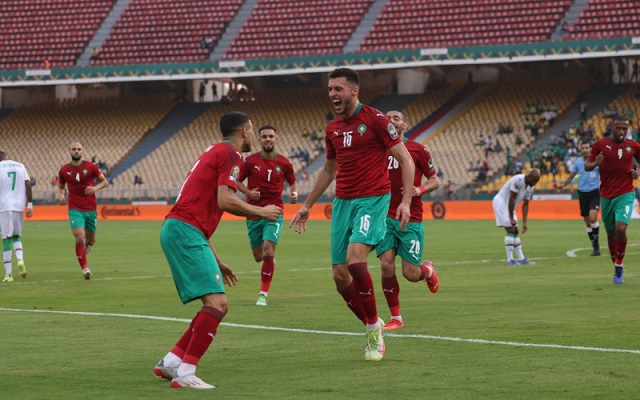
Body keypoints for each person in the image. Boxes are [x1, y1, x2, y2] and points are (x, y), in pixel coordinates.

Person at [289, 68, 415, 362]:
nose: (332, 94)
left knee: (356, 259)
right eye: (330, 89)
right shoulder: (332, 128)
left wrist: (406, 201)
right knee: (339, 275)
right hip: (343, 203)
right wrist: (307, 205)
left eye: (338, 89)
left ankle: (373, 329)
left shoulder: (377, 120)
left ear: (354, 91)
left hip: (373, 199)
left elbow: (406, 160)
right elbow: (329, 170)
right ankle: (373, 323)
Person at [154, 112, 282, 389]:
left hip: (181, 229)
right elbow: (226, 200)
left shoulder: (213, 151)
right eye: (252, 130)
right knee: (218, 305)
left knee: (211, 306)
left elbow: (203, 208)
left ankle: (172, 361)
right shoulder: (232, 155)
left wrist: (218, 261)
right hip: (185, 230)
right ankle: (186, 374)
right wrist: (261, 211)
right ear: (246, 131)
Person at [375, 111, 441, 331]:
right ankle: (396, 318)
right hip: (384, 217)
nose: (391, 120)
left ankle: (428, 271)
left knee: (410, 274)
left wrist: (419, 189)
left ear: (404, 124)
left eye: (396, 117)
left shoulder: (418, 150)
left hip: (411, 218)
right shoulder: (378, 150)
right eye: (388, 117)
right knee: (386, 265)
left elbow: (435, 180)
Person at [237, 125, 298, 306]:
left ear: (276, 139)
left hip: (274, 212)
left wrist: (294, 194)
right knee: (259, 256)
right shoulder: (250, 161)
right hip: (254, 212)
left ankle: (263, 294)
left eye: (271, 136)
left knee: (269, 250)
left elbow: (293, 184)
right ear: (259, 140)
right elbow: (236, 181)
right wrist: (249, 191)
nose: (268, 139)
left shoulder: (285, 163)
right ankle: (268, 262)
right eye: (264, 137)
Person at [585, 116, 640, 285]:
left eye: (625, 128)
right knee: (610, 234)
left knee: (620, 229)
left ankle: (619, 264)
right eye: (619, 128)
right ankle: (616, 265)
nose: (622, 132)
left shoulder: (634, 146)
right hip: (606, 195)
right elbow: (587, 165)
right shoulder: (600, 145)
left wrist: (638, 172)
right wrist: (595, 162)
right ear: (612, 128)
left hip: (625, 193)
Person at [57, 142, 108, 280]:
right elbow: (61, 186)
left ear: (82, 151)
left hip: (91, 209)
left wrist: (95, 188)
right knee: (80, 237)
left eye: (79, 149)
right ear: (70, 151)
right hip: (75, 209)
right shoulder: (64, 170)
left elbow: (105, 182)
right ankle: (85, 268)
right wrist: (61, 195)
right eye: (73, 149)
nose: (76, 151)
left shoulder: (91, 167)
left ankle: (87, 245)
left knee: (91, 241)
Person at [556, 141, 601, 256]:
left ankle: (596, 245)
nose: (585, 150)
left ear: (591, 149)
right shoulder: (578, 163)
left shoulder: (597, 162)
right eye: (583, 148)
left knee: (592, 218)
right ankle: (594, 244)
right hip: (582, 194)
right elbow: (570, 177)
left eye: (587, 148)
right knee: (587, 223)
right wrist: (563, 185)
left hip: (594, 193)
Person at [492, 169, 541, 266]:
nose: (534, 183)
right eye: (533, 181)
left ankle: (521, 259)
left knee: (515, 231)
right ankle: (510, 260)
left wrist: (525, 223)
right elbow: (511, 199)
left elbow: (526, 204)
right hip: (501, 203)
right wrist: (511, 218)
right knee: (510, 229)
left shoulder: (530, 186)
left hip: (510, 207)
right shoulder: (518, 180)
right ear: (529, 177)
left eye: (536, 182)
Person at [0, 152, 33, 282]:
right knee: (16, 236)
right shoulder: (20, 166)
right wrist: (29, 205)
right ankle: (20, 260)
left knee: (6, 239)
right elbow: (28, 185)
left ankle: (8, 275)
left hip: (4, 206)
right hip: (19, 206)